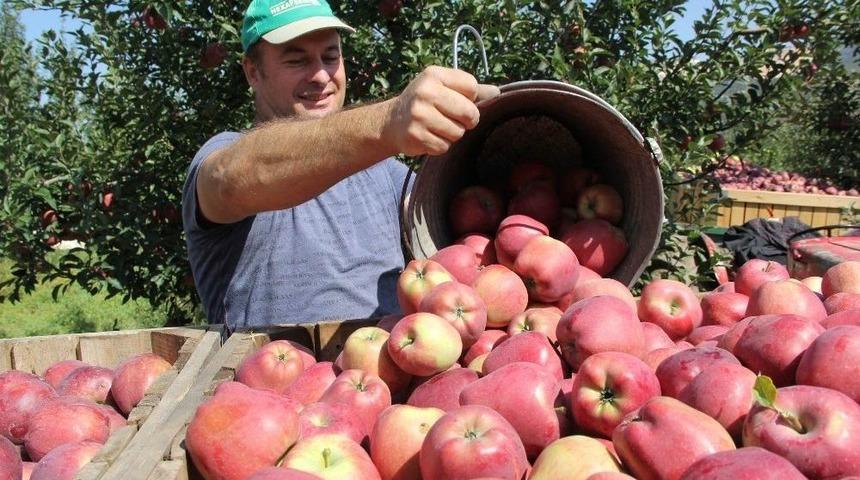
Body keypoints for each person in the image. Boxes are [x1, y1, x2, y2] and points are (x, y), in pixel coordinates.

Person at [182, 0, 499, 330]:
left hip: (385, 374)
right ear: (252, 71)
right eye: (296, 59)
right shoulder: (227, 154)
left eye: (330, 57)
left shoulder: (389, 177)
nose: (320, 75)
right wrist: (388, 121)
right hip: (274, 377)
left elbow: (455, 235)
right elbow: (233, 179)